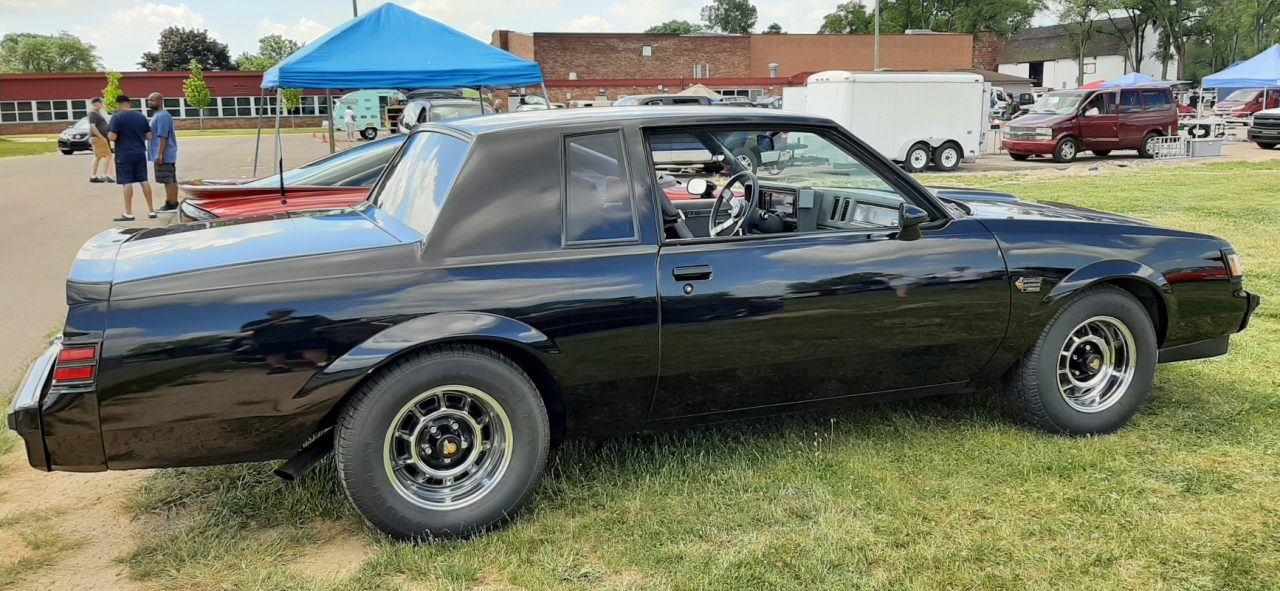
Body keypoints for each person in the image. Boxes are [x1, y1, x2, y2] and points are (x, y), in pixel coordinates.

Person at [106, 95, 155, 221]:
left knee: (126, 181)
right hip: (139, 152)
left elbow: (112, 137)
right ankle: (151, 210)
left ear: (118, 104)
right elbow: (149, 136)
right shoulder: (141, 116)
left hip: (124, 154)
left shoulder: (117, 117)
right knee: (144, 180)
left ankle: (128, 212)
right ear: (129, 103)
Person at [147, 92, 179, 212]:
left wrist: (160, 153)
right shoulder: (158, 115)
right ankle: (173, 202)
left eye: (152, 100)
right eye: (148, 100)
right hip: (164, 153)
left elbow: (163, 136)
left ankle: (171, 203)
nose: (150, 103)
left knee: (167, 179)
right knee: (170, 178)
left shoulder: (162, 116)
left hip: (164, 153)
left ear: (160, 101)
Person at [87, 98, 114, 183]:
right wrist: (101, 137)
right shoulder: (93, 113)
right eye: (101, 103)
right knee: (108, 155)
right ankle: (104, 175)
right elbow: (93, 126)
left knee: (97, 156)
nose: (102, 105)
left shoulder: (97, 113)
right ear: (97, 103)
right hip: (98, 138)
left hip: (99, 138)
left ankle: (93, 176)